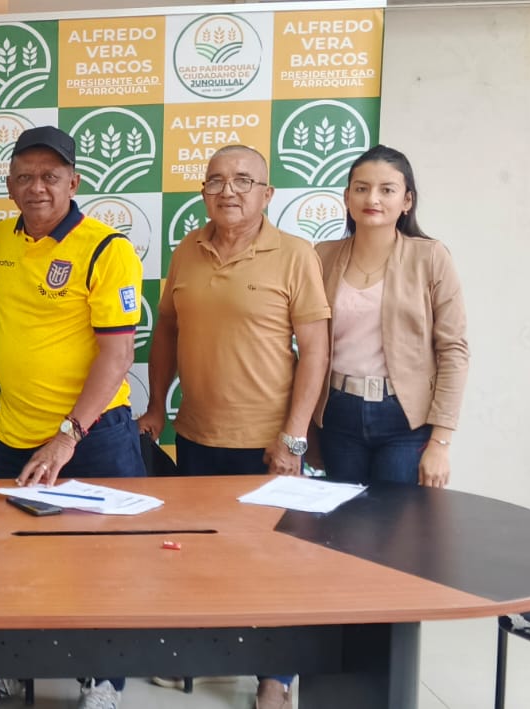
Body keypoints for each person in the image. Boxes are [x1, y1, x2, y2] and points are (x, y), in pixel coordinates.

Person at [137, 145, 331, 709]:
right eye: (216, 180)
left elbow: (316, 351)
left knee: (275, 563)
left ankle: (276, 676)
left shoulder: (295, 254)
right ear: (203, 191)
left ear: (267, 194)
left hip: (268, 444)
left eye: (244, 181)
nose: (229, 191)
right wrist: (156, 408)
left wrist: (293, 438)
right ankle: (202, 656)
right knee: (200, 555)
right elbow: (166, 330)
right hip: (196, 435)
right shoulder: (187, 249)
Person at [0, 127, 146, 709]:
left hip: (91, 437)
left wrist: (67, 435)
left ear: (74, 182)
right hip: (11, 434)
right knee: (17, 562)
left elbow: (117, 355)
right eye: (25, 177)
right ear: (10, 186)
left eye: (51, 177)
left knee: (100, 564)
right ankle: (15, 663)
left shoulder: (107, 249)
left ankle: (103, 679)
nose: (38, 187)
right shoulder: (1, 238)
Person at [313, 145, 468, 486]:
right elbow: (308, 345)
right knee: (343, 517)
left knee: (397, 517)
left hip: (405, 419)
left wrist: (441, 442)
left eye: (387, 190)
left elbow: (453, 351)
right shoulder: (321, 256)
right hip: (338, 414)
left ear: (406, 200)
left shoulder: (430, 257)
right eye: (361, 188)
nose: (373, 198)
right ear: (347, 197)